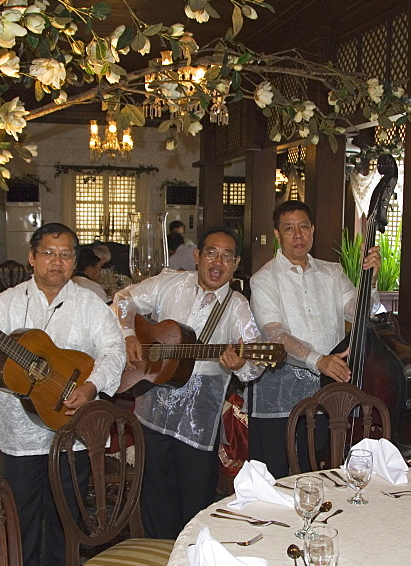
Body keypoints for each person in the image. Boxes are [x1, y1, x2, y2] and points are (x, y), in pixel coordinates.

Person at [0, 222, 126, 566]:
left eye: (65, 254)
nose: (56, 262)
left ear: (75, 261)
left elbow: (114, 351)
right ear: (32, 257)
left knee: (68, 510)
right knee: (18, 515)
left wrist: (91, 386)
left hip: (70, 425)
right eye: (48, 253)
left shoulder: (90, 304)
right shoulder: (4, 304)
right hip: (18, 431)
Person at [113, 226, 263, 539]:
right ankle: (154, 562)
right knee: (153, 490)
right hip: (153, 404)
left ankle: (189, 565)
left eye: (227, 256)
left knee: (194, 498)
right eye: (211, 252)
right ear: (197, 256)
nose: (217, 261)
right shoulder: (169, 282)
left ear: (235, 265)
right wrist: (129, 335)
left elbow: (256, 359)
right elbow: (124, 298)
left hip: (198, 417)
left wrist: (242, 363)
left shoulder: (237, 307)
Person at [248, 200, 380, 478]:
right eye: (289, 229)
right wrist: (317, 360)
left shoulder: (332, 272)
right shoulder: (263, 279)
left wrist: (371, 281)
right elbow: (275, 333)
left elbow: (358, 312)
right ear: (277, 235)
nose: (298, 235)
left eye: (304, 227)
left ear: (313, 230)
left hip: (327, 386)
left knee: (319, 468)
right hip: (281, 390)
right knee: (278, 472)